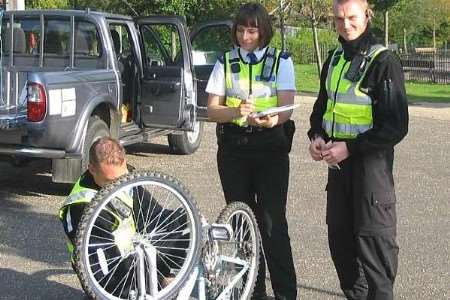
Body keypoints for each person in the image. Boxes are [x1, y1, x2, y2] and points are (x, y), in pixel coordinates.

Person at [307, 0, 409, 299]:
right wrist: (316, 137)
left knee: (375, 252)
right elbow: (321, 110)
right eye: (339, 18)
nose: (345, 24)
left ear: (367, 15)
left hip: (370, 172)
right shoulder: (335, 58)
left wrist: (350, 148)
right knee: (342, 248)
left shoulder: (383, 61)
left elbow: (395, 125)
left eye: (351, 17)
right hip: (338, 172)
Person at [206, 3, 297, 299]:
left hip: (270, 148)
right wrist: (234, 112)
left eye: (252, 30)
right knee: (242, 222)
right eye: (241, 30)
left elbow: (286, 107)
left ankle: (285, 293)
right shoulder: (225, 61)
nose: (246, 36)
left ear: (263, 31)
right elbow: (212, 110)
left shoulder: (281, 60)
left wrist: (273, 119)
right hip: (234, 150)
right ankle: (251, 292)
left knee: (272, 224)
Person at [59, 137, 187, 296]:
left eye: (122, 177)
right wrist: (159, 281)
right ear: (91, 169)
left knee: (186, 225)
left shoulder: (125, 179)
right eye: (111, 181)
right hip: (109, 268)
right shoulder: (82, 207)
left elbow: (154, 216)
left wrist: (189, 222)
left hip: (135, 252)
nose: (119, 185)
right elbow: (105, 271)